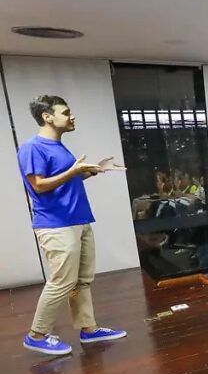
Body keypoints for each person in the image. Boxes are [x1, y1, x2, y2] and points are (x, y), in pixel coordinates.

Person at [17, 94, 128, 355]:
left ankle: (88, 329)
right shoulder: (32, 147)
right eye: (66, 112)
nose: (71, 116)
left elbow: (63, 182)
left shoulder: (59, 147)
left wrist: (91, 171)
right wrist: (74, 171)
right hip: (56, 225)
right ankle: (36, 334)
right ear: (48, 117)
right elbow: (38, 185)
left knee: (81, 282)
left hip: (79, 220)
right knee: (61, 282)